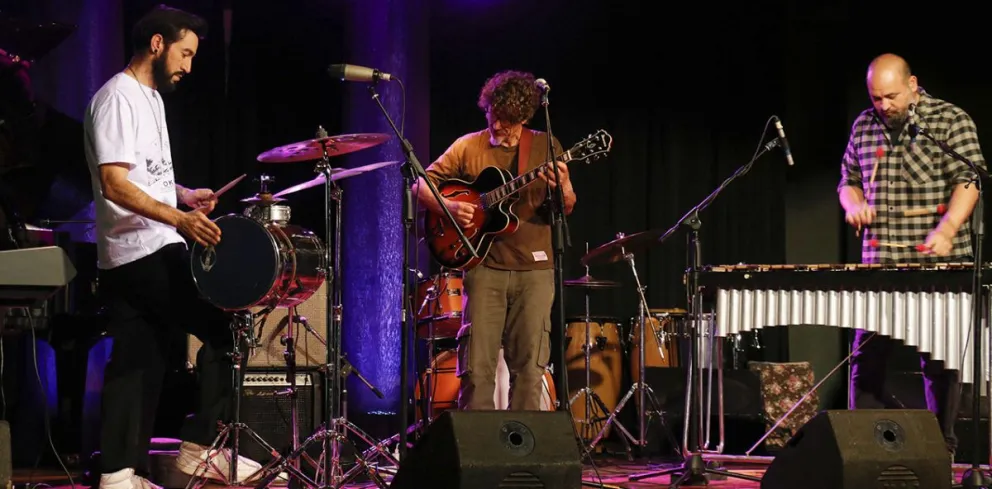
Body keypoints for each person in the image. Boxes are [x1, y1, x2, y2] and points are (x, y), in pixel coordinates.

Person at [84, 5, 269, 489]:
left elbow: (143, 176)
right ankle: (201, 449)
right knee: (227, 328)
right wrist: (180, 220)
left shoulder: (150, 98)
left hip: (137, 250)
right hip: (143, 250)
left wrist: (183, 195)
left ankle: (117, 475)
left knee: (137, 361)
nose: (188, 65)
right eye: (184, 53)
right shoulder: (118, 98)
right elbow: (114, 184)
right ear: (157, 44)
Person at [838, 53, 987, 458]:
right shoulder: (864, 125)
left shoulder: (950, 120)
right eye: (876, 98)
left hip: (938, 265)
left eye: (891, 96)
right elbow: (848, 180)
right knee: (866, 359)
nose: (883, 105)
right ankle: (864, 448)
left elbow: (969, 179)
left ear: (913, 84)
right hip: (880, 264)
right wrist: (853, 204)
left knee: (940, 361)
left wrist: (947, 229)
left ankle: (942, 449)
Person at [414, 69, 577, 410]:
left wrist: (562, 185)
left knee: (530, 370)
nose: (498, 125)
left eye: (507, 120)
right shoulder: (467, 145)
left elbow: (567, 206)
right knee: (476, 369)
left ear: (524, 117)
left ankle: (522, 442)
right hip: (483, 266)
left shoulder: (546, 145)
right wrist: (449, 207)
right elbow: (420, 184)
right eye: (493, 115)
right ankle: (477, 443)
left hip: (535, 270)